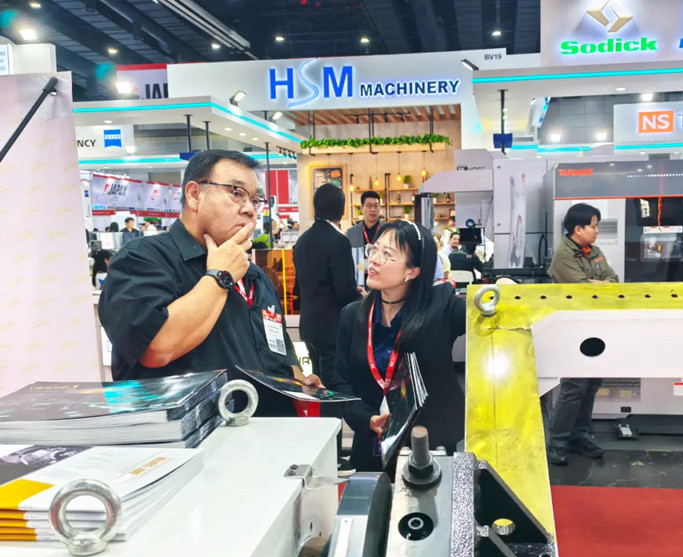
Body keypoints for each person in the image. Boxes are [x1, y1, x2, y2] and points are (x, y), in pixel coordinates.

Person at [99, 150, 319, 401]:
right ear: (194, 195)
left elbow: (280, 356)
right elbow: (157, 347)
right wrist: (221, 276)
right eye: (236, 193)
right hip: (194, 426)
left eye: (255, 199)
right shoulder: (141, 259)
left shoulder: (256, 277)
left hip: (266, 423)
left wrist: (299, 381)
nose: (249, 209)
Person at [329, 221, 466, 472]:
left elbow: (485, 313)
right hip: (371, 447)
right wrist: (366, 418)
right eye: (374, 249)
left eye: (387, 254)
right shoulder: (353, 314)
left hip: (428, 449)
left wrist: (505, 286)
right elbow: (340, 382)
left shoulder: (441, 306)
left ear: (412, 271)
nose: (374, 259)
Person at [294, 183, 365, 476]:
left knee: (317, 387)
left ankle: (325, 452)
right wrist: (361, 296)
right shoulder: (338, 242)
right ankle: (332, 457)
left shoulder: (302, 241)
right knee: (332, 392)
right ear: (342, 209)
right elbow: (344, 290)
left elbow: (299, 288)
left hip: (309, 325)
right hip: (332, 328)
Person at [547, 203, 618, 467]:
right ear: (578, 229)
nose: (597, 231)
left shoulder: (595, 252)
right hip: (573, 327)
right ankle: (557, 443)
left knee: (591, 384)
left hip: (596, 326)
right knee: (574, 386)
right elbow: (580, 290)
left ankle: (580, 437)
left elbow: (614, 279)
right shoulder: (564, 255)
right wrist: (597, 285)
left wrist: (601, 284)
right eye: (593, 226)